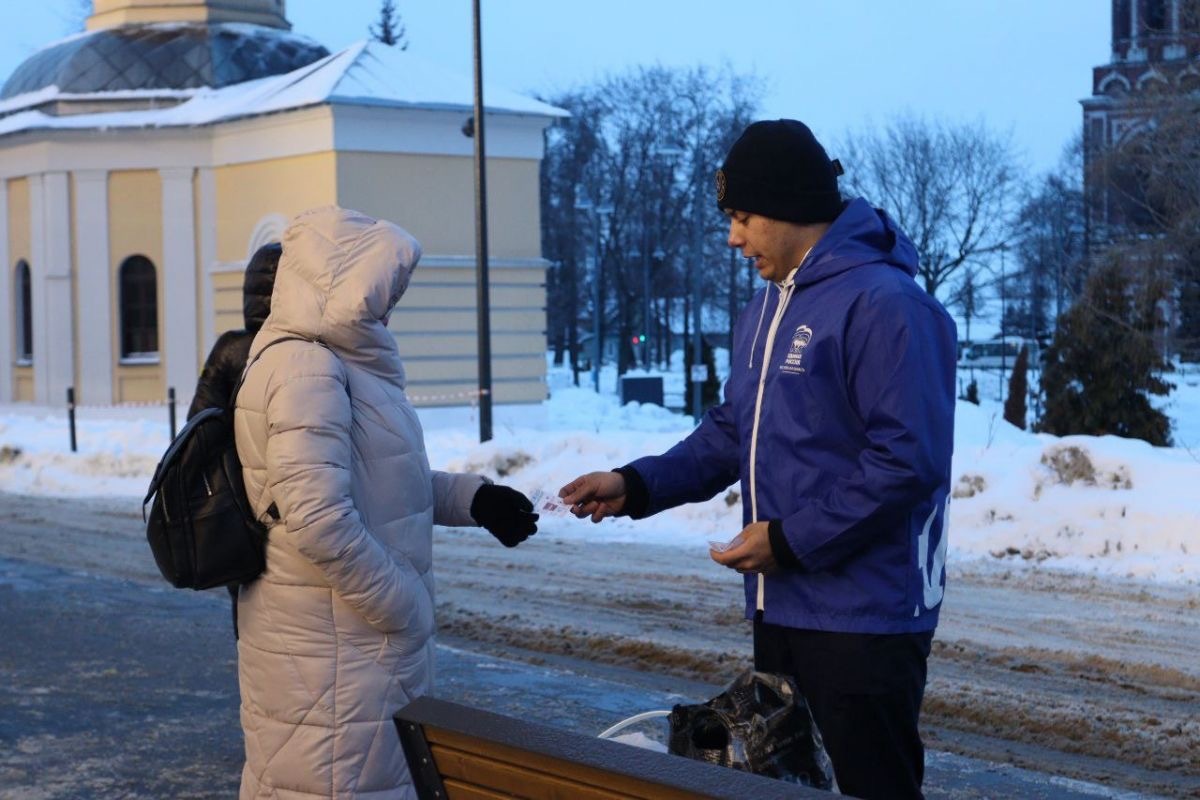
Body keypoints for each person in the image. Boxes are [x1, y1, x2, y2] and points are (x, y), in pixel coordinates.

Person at [560, 119, 956, 800]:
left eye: (742, 217)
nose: (732, 237)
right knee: (783, 788)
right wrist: (636, 483)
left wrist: (789, 540)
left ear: (790, 206)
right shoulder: (765, 307)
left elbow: (906, 461)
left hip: (865, 617)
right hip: (782, 608)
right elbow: (731, 431)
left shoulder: (886, 304)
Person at [232, 205, 538, 799]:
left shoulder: (338, 363)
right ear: (338, 283)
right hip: (332, 655)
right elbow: (317, 519)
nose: (390, 302)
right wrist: (403, 606)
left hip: (349, 651)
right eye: (382, 285)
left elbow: (382, 482)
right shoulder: (307, 369)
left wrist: (477, 500)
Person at [187, 241, 281, 639]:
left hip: (237, 514)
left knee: (250, 621)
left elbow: (198, 428)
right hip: (290, 507)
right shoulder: (308, 352)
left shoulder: (230, 349)